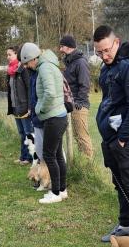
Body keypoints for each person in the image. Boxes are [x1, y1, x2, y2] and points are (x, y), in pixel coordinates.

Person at [93, 25, 129, 242]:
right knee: (120, 183)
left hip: (128, 137)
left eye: (107, 50)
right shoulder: (108, 67)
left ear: (116, 42)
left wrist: (123, 138)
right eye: (99, 52)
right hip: (111, 137)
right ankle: (125, 225)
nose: (104, 56)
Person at [21, 42, 68, 204]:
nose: (27, 67)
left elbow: (49, 93)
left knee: (49, 155)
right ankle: (62, 190)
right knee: (57, 155)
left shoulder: (45, 68)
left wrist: (39, 109)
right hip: (58, 116)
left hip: (53, 117)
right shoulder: (47, 64)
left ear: (33, 58)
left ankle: (55, 193)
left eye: (27, 63)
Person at [59, 35, 93, 158]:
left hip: (79, 105)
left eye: (62, 46)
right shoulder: (70, 62)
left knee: (82, 136)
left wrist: (79, 101)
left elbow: (85, 84)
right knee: (77, 136)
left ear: (68, 47)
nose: (60, 49)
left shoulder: (80, 62)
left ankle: (88, 165)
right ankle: (82, 163)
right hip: (72, 103)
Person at [6, 45, 33, 165]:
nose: (8, 57)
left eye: (10, 54)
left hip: (25, 108)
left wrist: (29, 107)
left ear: (17, 54)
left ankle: (31, 158)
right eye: (7, 55)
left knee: (28, 133)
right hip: (15, 107)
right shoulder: (10, 72)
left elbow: (29, 89)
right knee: (21, 133)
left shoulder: (23, 70)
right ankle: (23, 156)